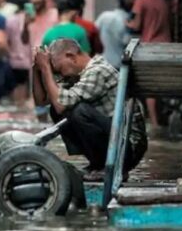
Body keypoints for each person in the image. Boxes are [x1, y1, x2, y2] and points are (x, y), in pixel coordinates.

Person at [33, 38, 147, 180]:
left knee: (79, 111)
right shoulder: (79, 75)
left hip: (128, 148)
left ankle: (108, 167)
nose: (61, 75)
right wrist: (37, 70)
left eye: (60, 69)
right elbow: (42, 101)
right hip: (117, 141)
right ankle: (98, 164)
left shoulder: (98, 71)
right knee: (58, 110)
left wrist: (45, 68)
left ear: (71, 57)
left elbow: (61, 104)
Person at [127, 0, 171, 127]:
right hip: (167, 46)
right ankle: (165, 118)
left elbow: (136, 25)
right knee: (165, 84)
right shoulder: (162, 1)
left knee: (150, 87)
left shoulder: (141, 1)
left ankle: (155, 123)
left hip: (150, 47)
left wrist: (127, 23)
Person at [23, 0, 60, 121]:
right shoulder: (28, 17)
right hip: (35, 65)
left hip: (54, 65)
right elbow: (24, 40)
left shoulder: (55, 14)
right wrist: (25, 24)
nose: (34, 0)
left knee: (56, 102)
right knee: (39, 104)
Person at [95, 0, 137, 68]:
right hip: (119, 65)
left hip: (101, 63)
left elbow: (94, 33)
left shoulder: (104, 16)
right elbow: (126, 42)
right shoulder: (128, 21)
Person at [5, 0, 33, 107]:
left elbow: (7, 39)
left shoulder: (10, 20)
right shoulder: (30, 19)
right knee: (24, 84)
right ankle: (22, 107)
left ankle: (16, 107)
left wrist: (9, 53)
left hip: (14, 58)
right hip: (27, 58)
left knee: (16, 84)